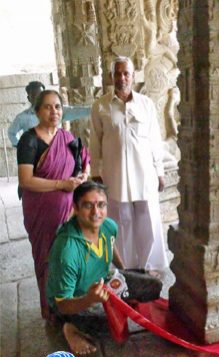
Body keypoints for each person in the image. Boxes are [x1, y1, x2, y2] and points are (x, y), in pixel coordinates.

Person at [47, 182, 161, 355]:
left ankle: (95, 312)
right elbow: (62, 304)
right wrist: (89, 299)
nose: (96, 213)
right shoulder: (67, 251)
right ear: (76, 209)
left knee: (154, 286)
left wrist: (125, 272)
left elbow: (111, 245)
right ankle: (69, 327)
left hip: (102, 281)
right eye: (87, 206)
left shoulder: (108, 226)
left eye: (101, 205)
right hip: (74, 300)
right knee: (107, 326)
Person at [90, 56, 168, 277]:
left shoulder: (146, 104)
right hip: (116, 175)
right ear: (111, 76)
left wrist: (160, 171)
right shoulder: (101, 106)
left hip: (144, 173)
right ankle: (126, 267)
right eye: (117, 73)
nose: (122, 78)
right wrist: (95, 172)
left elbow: (155, 139)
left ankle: (148, 264)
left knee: (147, 218)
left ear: (133, 76)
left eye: (126, 73)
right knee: (121, 220)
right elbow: (94, 141)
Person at [18, 89, 90, 319]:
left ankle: (72, 305)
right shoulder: (29, 140)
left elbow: (84, 163)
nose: (54, 111)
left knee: (68, 257)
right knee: (48, 258)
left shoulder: (67, 139)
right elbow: (26, 180)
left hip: (68, 210)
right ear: (37, 111)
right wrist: (60, 184)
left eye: (57, 106)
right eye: (48, 107)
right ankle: (52, 308)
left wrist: (82, 178)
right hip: (41, 212)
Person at [7, 81, 90, 147]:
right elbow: (11, 133)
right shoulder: (22, 117)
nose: (39, 99)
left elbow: (76, 111)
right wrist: (20, 147)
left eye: (41, 95)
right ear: (29, 98)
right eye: (35, 96)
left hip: (57, 152)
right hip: (36, 158)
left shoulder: (57, 111)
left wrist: (95, 109)